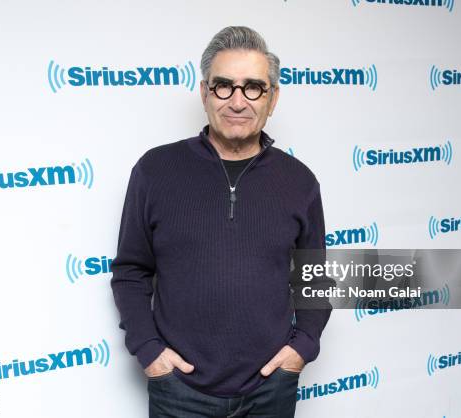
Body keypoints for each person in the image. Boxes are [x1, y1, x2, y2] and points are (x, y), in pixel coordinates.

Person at [110, 26, 331, 417]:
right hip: (179, 392)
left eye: (253, 88)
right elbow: (130, 271)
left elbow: (315, 276)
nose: (237, 101)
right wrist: (149, 352)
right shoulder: (154, 171)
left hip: (271, 391)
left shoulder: (300, 182)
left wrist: (302, 348)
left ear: (273, 98)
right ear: (204, 93)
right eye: (223, 86)